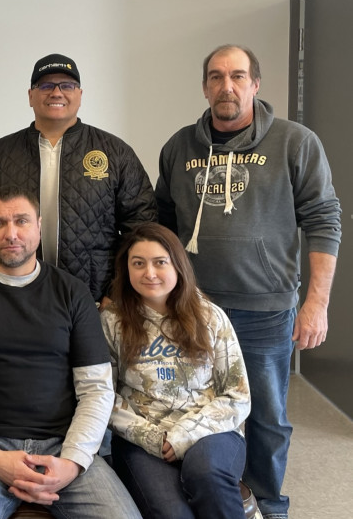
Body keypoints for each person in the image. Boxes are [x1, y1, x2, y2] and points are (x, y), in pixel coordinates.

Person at [155, 44, 341, 518]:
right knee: (191, 408)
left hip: (265, 309)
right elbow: (162, 226)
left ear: (255, 84)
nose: (227, 86)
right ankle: (212, 495)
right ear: (204, 87)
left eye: (238, 76)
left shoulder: (295, 142)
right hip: (193, 308)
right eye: (216, 77)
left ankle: (270, 505)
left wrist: (316, 303)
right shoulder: (179, 147)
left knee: (267, 418)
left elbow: (324, 220)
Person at [0, 186, 141, 518]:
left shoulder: (73, 293)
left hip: (64, 446)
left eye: (21, 221)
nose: (11, 233)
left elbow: (96, 389)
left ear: (39, 226)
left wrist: (72, 463)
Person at [101, 222, 251, 519]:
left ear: (178, 266)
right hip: (143, 440)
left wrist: (184, 434)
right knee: (173, 513)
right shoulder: (112, 321)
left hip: (211, 432)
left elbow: (238, 395)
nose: (149, 273)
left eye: (160, 262)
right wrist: (153, 438)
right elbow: (104, 395)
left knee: (206, 475)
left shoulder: (210, 316)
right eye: (138, 263)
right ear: (126, 269)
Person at [0, 53, 156, 305]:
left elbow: (142, 225)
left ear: (80, 95)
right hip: (15, 295)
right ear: (30, 96)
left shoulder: (115, 152)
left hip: (95, 298)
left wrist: (117, 290)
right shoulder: (0, 154)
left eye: (67, 85)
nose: (56, 93)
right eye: (45, 86)